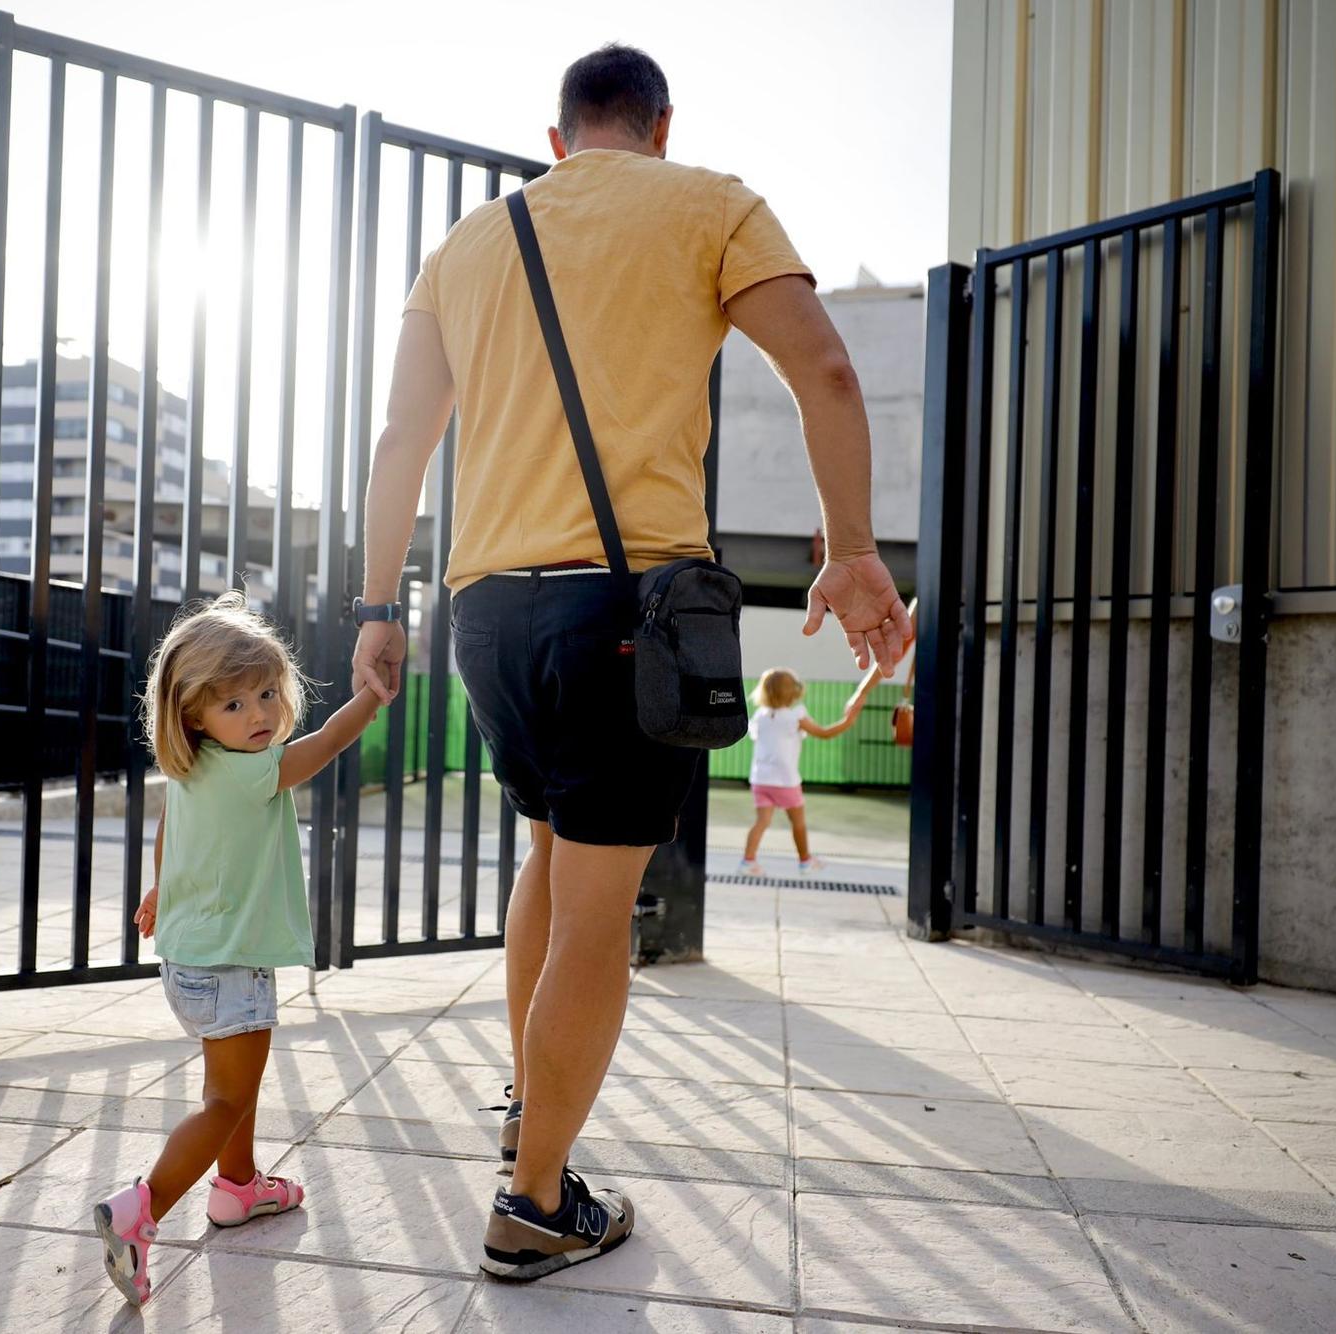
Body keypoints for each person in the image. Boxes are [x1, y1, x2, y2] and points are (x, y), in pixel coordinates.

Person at [348, 44, 911, 1282]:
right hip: (622, 609)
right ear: (659, 126)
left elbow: (401, 434)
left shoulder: (470, 239)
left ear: (556, 140)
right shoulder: (710, 202)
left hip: (483, 607)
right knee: (601, 903)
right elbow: (822, 368)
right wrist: (853, 551)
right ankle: (536, 1200)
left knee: (548, 852)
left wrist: (372, 602)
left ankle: (524, 1114)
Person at [93, 593, 382, 1308]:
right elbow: (322, 749)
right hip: (229, 967)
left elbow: (167, 826)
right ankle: (141, 1207)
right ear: (193, 714)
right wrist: (369, 702)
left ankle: (239, 1187)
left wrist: (160, 888)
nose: (257, 715)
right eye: (234, 705)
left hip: (190, 961)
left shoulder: (191, 768)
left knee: (232, 1088)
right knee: (226, 1097)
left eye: (265, 695)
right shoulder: (254, 770)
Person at [740, 667, 874, 875]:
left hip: (760, 780)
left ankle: (748, 862)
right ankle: (805, 862)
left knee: (761, 821)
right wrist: (848, 720)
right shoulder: (795, 716)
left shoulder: (760, 716)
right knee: (798, 823)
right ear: (793, 693)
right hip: (786, 782)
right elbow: (825, 733)